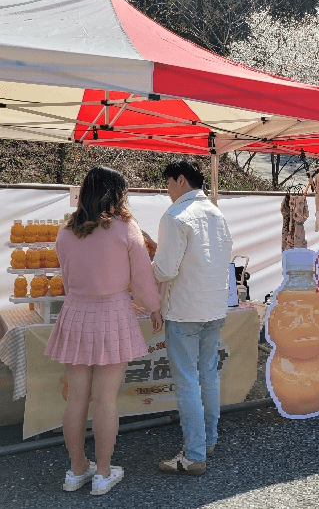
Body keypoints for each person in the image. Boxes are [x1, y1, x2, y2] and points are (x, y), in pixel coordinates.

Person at [44, 166, 162, 496]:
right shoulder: (125, 227)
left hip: (76, 312)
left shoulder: (67, 230)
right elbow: (142, 275)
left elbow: (66, 279)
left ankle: (76, 469)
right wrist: (154, 307)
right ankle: (103, 473)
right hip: (113, 312)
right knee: (106, 398)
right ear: (117, 194)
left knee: (77, 398)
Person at [153, 159, 233, 475]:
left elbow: (164, 269)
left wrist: (142, 270)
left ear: (181, 181)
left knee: (187, 381)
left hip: (185, 310)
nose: (168, 191)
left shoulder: (175, 216)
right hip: (214, 307)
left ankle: (194, 455)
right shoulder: (217, 213)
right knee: (208, 375)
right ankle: (207, 442)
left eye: (169, 184)